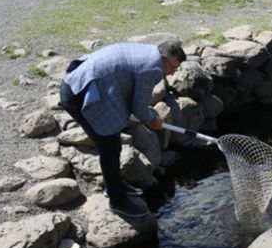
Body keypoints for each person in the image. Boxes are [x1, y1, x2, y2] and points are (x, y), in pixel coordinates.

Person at [59, 40, 186, 217]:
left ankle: (115, 184)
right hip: (78, 94)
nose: (172, 73)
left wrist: (149, 117)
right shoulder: (154, 67)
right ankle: (117, 201)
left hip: (81, 83)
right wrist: (153, 120)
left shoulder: (149, 52)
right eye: (173, 67)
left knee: (112, 144)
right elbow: (139, 109)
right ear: (164, 58)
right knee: (109, 147)